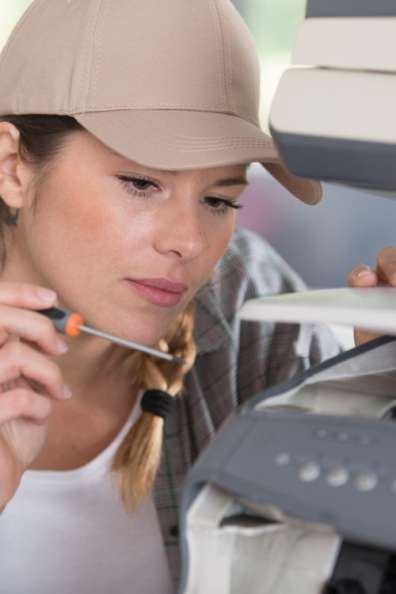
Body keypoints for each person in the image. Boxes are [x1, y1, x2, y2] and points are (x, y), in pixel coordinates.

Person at [0, 1, 394, 592]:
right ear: (11, 166)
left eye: (219, 200)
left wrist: (373, 404)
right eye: (142, 183)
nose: (188, 242)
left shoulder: (253, 311)